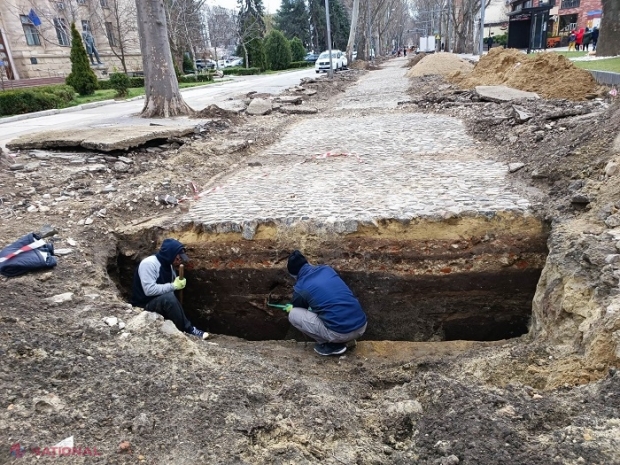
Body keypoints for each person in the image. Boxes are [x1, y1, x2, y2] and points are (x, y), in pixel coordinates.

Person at [285, 250, 367, 356]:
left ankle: (332, 345)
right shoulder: (327, 269)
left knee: (293, 314)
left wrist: (290, 308)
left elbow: (298, 308)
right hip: (361, 326)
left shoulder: (301, 286)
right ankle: (348, 340)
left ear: (294, 275)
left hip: (340, 333)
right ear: (308, 262)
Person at [131, 238, 209, 339]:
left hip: (159, 302)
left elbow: (169, 288)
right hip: (144, 305)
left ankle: (180, 323)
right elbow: (149, 290)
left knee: (170, 297)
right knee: (169, 298)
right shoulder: (149, 264)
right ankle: (188, 330)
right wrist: (174, 286)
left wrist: (176, 285)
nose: (180, 261)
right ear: (170, 254)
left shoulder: (169, 266)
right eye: (178, 258)